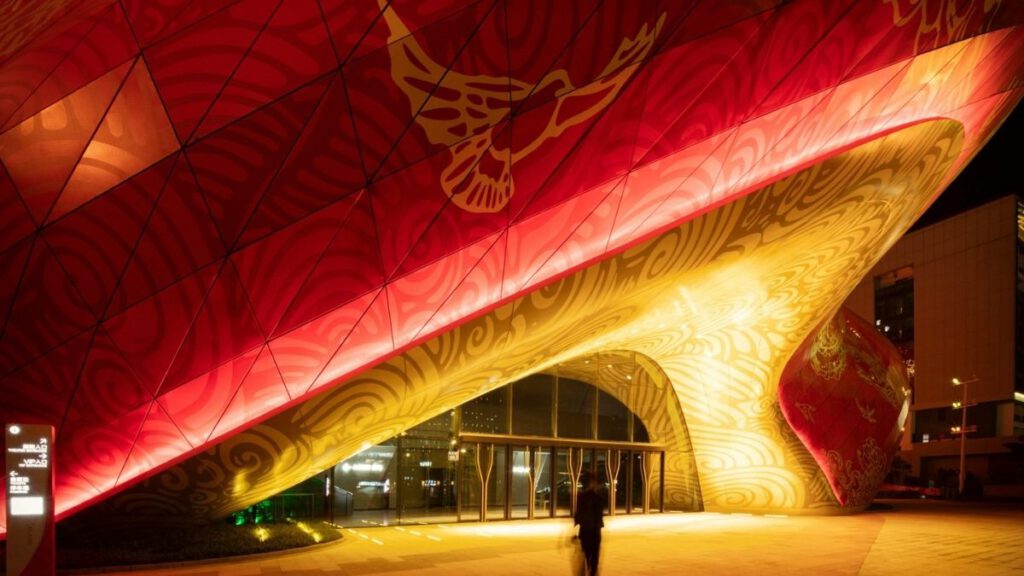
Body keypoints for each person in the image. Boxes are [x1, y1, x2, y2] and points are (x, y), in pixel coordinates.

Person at [574, 472, 605, 576]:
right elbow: (599, 515)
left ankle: (590, 568)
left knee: (587, 554)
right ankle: (592, 571)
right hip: (594, 531)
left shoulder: (581, 497)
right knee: (594, 555)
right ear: (593, 483)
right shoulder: (598, 498)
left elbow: (577, 515)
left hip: (585, 531)